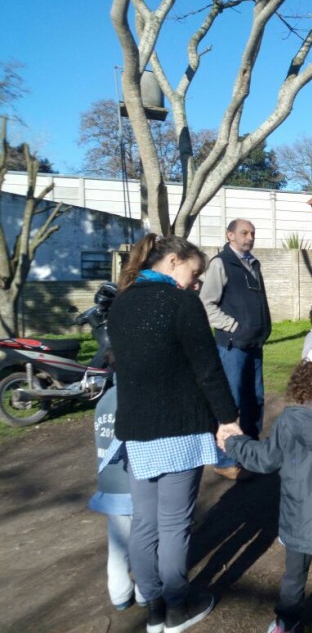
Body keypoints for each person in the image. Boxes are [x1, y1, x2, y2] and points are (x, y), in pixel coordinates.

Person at [110, 234, 240, 633]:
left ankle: (152, 610)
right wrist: (228, 418)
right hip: (179, 427)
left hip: (135, 430)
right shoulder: (181, 303)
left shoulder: (120, 302)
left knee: (145, 523)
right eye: (194, 272)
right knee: (173, 525)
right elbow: (207, 367)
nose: (196, 282)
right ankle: (177, 608)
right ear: (172, 261)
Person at [219, 356, 312, 633]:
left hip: (297, 514)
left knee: (293, 574)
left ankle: (286, 622)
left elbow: (264, 459)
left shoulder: (289, 420)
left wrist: (233, 443)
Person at [199, 219, 271, 481]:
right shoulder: (221, 263)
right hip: (232, 346)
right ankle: (225, 459)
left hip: (254, 344)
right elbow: (206, 304)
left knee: (256, 399)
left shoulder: (253, 263)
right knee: (232, 401)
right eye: (244, 233)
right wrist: (233, 326)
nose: (249, 237)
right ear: (229, 235)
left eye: (252, 232)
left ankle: (249, 452)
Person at [88, 370, 146, 611]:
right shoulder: (140, 397)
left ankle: (119, 593)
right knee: (146, 540)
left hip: (110, 486)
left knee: (118, 544)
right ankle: (146, 593)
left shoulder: (105, 399)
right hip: (136, 485)